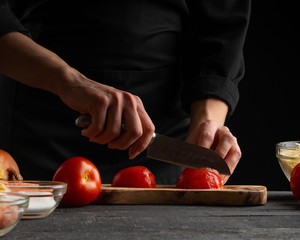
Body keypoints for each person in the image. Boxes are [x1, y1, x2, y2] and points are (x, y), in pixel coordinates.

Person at [0, 0, 251, 184]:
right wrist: (67, 80)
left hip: (165, 138)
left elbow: (221, 26)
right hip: (39, 128)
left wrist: (207, 125)